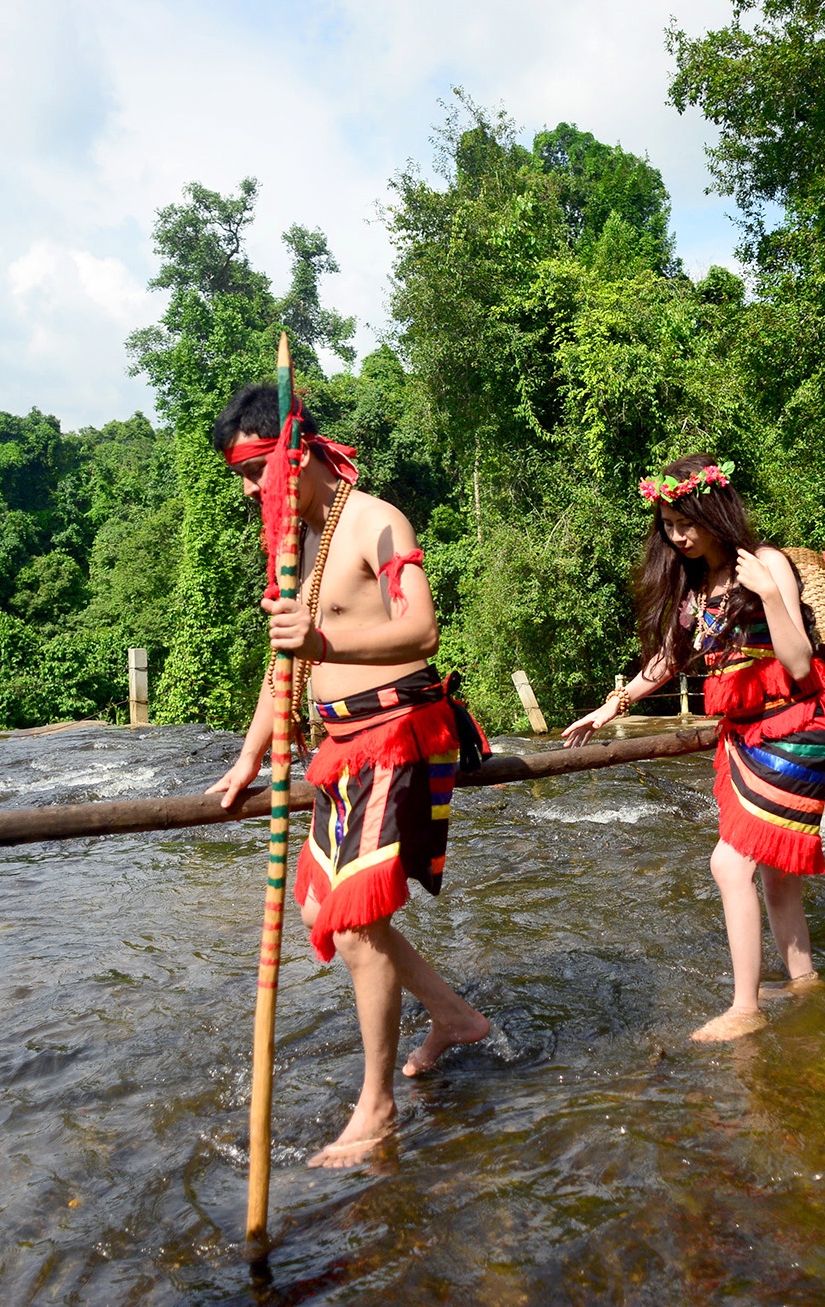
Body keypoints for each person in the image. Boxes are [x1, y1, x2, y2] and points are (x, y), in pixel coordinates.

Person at [206, 383, 490, 1168]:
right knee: (324, 913)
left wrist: (325, 650)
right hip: (339, 751)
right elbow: (282, 669)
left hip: (396, 736)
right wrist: (245, 760)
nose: (248, 491)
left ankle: (377, 1107)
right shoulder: (297, 547)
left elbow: (422, 629)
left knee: (358, 920)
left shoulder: (375, 520)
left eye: (253, 472)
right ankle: (454, 1016)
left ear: (290, 452)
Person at [564, 455, 825, 1043]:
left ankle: (745, 1009)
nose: (678, 535)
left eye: (685, 521)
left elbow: (796, 662)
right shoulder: (696, 586)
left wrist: (768, 594)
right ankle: (803, 979)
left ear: (714, 510)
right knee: (776, 874)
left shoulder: (765, 564)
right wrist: (609, 707)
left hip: (794, 726)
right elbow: (664, 662)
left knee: (728, 862)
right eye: (667, 524)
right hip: (744, 733)